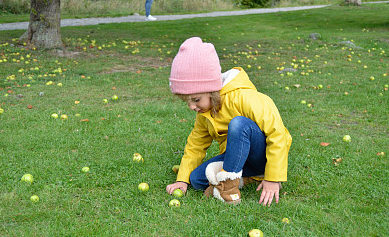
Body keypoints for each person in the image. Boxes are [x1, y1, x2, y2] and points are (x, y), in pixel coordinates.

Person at [165, 37, 292, 206]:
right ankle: (246, 179)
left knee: (239, 124)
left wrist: (273, 178)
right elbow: (195, 146)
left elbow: (278, 135)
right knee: (196, 179)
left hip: (261, 156)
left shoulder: (244, 97)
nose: (191, 106)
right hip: (237, 159)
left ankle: (229, 187)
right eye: (186, 102)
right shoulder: (204, 113)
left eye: (196, 99)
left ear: (212, 90)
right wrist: (182, 180)